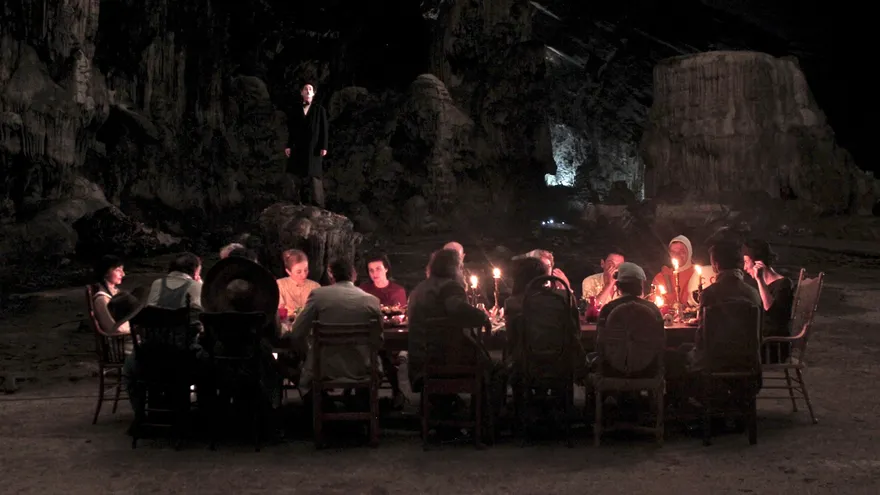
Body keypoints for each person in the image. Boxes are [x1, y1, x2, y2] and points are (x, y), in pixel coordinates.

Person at [287, 259, 383, 399]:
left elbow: (297, 333)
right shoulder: (372, 301)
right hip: (363, 368)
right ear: (354, 275)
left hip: (323, 368)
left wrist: (308, 353)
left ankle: (322, 409)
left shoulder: (318, 296)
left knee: (302, 371)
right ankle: (361, 408)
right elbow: (379, 341)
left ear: (330, 275)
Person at [687, 242, 761, 371]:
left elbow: (701, 338)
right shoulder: (753, 293)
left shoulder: (709, 294)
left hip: (714, 364)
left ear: (715, 265)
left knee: (677, 353)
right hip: (748, 366)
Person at [743, 239, 795, 361]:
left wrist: (760, 280)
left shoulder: (784, 284)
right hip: (759, 341)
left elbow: (771, 310)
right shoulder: (753, 284)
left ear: (758, 263)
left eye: (746, 262)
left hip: (772, 346)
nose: (744, 268)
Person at [284, 83, 329, 208]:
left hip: (314, 147)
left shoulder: (320, 110)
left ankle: (318, 204)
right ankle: (294, 201)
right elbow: (292, 129)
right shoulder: (296, 109)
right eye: (305, 89)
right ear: (302, 93)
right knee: (295, 172)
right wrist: (288, 145)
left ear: (313, 93)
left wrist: (324, 146)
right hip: (298, 146)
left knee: (314, 174)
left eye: (310, 89)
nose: (308, 91)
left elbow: (324, 129)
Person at [651, 235, 714, 307]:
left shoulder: (700, 273)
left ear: (689, 252)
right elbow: (655, 305)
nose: (677, 255)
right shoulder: (661, 278)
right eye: (673, 252)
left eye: (682, 251)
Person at [91, 255, 129, 335]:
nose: (123, 274)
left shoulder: (118, 293)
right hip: (122, 341)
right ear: (106, 273)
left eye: (122, 270)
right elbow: (114, 328)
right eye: (118, 270)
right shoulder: (102, 299)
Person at [276, 249, 321, 317]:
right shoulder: (280, 285)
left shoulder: (315, 286)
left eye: (306, 270)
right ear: (288, 271)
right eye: (298, 272)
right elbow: (280, 311)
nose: (304, 275)